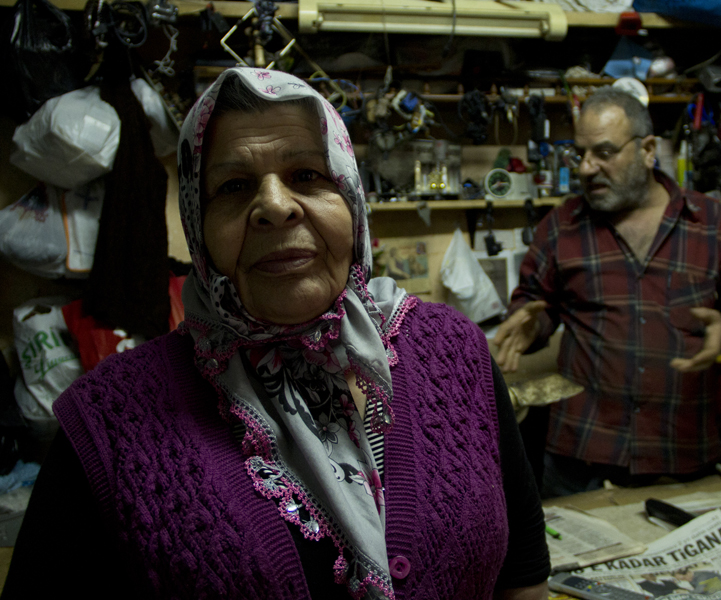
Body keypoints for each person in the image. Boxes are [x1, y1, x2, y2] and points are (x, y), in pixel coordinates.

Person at [3, 68, 550, 599]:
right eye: (235, 186)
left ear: (352, 200)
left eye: (308, 176)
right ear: (198, 223)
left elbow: (521, 570)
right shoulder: (109, 420)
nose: (274, 206)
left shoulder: (452, 350)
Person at [495, 88, 721, 497]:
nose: (587, 168)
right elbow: (535, 302)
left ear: (647, 150)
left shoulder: (715, 225)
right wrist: (530, 323)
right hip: (580, 456)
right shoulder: (560, 227)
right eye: (581, 154)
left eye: (605, 152)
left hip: (680, 454)